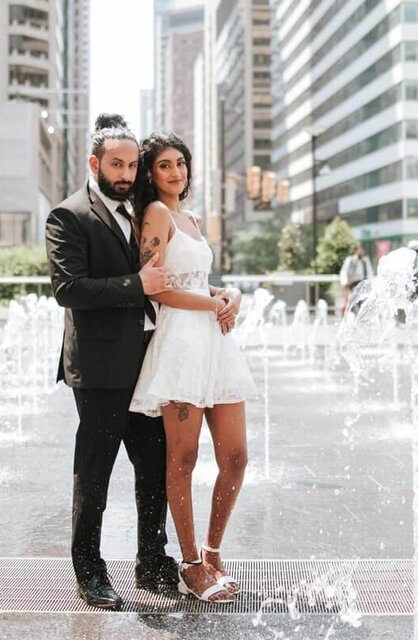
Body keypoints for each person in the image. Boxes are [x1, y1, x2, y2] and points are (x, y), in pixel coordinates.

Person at [45, 114, 177, 609]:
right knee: (95, 470)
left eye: (131, 164)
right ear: (94, 163)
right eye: (116, 164)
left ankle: (150, 560)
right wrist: (135, 286)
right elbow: (68, 289)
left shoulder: (145, 208)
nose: (125, 173)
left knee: (155, 464)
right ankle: (89, 571)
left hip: (147, 362)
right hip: (100, 370)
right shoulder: (69, 215)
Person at [130, 131, 253, 604]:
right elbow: (155, 288)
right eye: (164, 165)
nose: (176, 172)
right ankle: (190, 564)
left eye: (180, 163)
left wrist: (230, 294)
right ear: (151, 173)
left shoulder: (193, 218)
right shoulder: (157, 215)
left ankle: (214, 549)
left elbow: (201, 280)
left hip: (215, 340)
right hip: (182, 340)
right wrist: (208, 302)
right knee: (183, 458)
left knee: (236, 457)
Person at [338, 244, 373, 316]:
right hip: (352, 285)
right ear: (356, 250)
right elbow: (344, 272)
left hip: (363, 284)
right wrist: (345, 284)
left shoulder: (365, 261)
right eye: (359, 249)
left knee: (363, 303)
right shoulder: (350, 260)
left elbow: (370, 273)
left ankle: (359, 318)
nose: (361, 251)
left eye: (362, 250)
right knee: (352, 303)